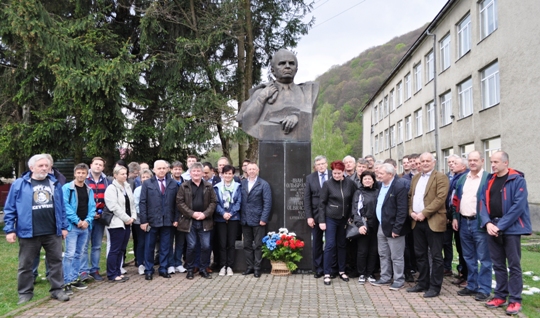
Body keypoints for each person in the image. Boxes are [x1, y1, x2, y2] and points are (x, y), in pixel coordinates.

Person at [4, 154, 70, 304]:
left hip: (52, 232)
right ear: (32, 167)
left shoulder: (54, 183)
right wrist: (10, 229)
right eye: (41, 166)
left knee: (56, 262)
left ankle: (57, 290)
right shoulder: (19, 184)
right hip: (28, 232)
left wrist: (64, 227)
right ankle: (25, 293)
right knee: (25, 265)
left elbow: (62, 208)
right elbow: (10, 208)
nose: (45, 168)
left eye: (46, 165)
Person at [480, 151, 532, 315]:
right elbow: (481, 202)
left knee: (514, 265)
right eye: (491, 162)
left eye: (496, 162)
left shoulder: (517, 180)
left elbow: (518, 206)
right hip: (492, 227)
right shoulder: (490, 180)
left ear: (505, 163)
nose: (493, 165)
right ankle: (500, 296)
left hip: (511, 229)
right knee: (498, 265)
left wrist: (500, 226)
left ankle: (515, 300)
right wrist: (487, 223)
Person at [236, 48, 319, 141]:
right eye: (282, 63)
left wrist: (297, 117)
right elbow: (248, 122)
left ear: (296, 69)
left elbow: (307, 116)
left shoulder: (307, 93)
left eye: (291, 63)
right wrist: (261, 98)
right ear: (273, 70)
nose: (287, 66)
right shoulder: (261, 93)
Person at [451, 151, 492, 302]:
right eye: (470, 160)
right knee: (468, 257)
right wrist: (455, 217)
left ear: (482, 161)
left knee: (484, 258)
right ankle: (472, 285)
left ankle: (484, 289)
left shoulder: (488, 178)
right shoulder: (463, 179)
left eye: (475, 160)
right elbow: (456, 200)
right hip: (463, 222)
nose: (473, 162)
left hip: (479, 222)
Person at [407, 153, 449, 298]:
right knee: (420, 254)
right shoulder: (416, 177)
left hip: (433, 221)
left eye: (427, 161)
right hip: (416, 221)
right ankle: (422, 283)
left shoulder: (441, 177)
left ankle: (435, 287)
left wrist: (424, 213)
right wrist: (411, 212)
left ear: (434, 162)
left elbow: (440, 199)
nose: (424, 163)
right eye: (422, 161)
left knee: (436, 256)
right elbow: (410, 197)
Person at [369, 164, 410, 291]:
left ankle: (399, 279)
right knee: (383, 253)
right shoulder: (381, 185)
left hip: (394, 227)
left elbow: (402, 210)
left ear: (390, 174)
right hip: (382, 225)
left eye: (381, 173)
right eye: (378, 173)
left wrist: (397, 229)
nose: (378, 175)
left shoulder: (399, 186)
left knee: (396, 256)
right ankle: (385, 277)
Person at [318, 160, 356, 286]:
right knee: (330, 245)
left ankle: (341, 270)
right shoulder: (327, 184)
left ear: (343, 172)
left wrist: (351, 215)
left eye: (339, 173)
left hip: (344, 219)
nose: (336, 176)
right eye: (334, 173)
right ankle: (327, 273)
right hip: (331, 218)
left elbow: (354, 198)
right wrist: (322, 220)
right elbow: (322, 203)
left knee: (342, 244)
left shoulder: (349, 183)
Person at [177, 162, 217, 280]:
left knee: (206, 246)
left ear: (202, 173)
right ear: (190, 173)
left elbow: (213, 202)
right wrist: (192, 214)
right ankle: (190, 269)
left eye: (198, 171)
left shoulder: (208, 186)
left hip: (205, 220)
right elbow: (180, 202)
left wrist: (205, 214)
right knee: (191, 246)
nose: (196, 173)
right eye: (194, 171)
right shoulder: (184, 186)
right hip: (190, 221)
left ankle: (203, 268)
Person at [139, 160, 178, 280]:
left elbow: (177, 203)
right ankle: (149, 270)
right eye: (159, 168)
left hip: (168, 220)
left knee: (166, 246)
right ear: (154, 170)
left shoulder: (173, 183)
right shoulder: (147, 183)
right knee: (149, 246)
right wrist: (144, 220)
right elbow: (142, 202)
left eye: (163, 168)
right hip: (152, 220)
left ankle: (163, 268)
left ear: (167, 169)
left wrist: (176, 219)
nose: (161, 170)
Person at [62, 163, 96, 295]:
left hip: (85, 226)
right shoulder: (67, 188)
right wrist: (77, 221)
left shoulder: (89, 189)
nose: (81, 175)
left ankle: (74, 278)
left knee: (79, 253)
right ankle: (66, 281)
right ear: (75, 173)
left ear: (87, 175)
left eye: (83, 173)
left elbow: (92, 207)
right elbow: (65, 206)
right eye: (78, 173)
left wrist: (87, 221)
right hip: (72, 226)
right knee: (69, 254)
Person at [240, 163, 272, 278]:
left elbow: (267, 203)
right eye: (250, 169)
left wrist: (264, 218)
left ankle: (257, 268)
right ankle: (250, 267)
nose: (252, 171)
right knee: (247, 245)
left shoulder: (263, 184)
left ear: (258, 170)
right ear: (246, 171)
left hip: (258, 219)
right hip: (245, 219)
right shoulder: (242, 183)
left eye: (254, 169)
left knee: (258, 245)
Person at [104, 166, 136, 282]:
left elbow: (131, 204)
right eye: (122, 174)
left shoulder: (127, 187)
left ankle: (118, 270)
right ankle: (112, 273)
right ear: (115, 175)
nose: (124, 176)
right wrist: (126, 218)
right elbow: (114, 207)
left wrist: (133, 217)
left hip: (127, 222)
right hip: (116, 223)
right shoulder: (111, 189)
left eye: (125, 174)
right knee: (115, 249)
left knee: (122, 249)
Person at [82, 156, 111, 281]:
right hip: (86, 217)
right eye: (96, 164)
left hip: (100, 217)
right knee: (84, 245)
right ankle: (83, 271)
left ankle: (95, 270)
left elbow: (109, 198)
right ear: (91, 165)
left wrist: (102, 212)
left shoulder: (106, 181)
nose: (98, 166)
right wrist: (90, 213)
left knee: (97, 245)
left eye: (100, 165)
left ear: (103, 167)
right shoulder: (84, 179)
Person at [304, 155, 331, 278]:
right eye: (318, 164)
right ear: (315, 166)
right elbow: (307, 198)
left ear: (326, 164)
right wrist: (309, 216)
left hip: (331, 214)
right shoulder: (310, 178)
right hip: (315, 215)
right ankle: (318, 268)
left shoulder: (333, 174)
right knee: (317, 243)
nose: (321, 166)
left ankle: (330, 268)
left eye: (322, 163)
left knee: (331, 243)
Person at [213, 165, 242, 276]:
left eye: (230, 173)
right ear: (222, 174)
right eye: (226, 173)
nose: (228, 175)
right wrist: (223, 213)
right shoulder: (217, 187)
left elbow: (239, 202)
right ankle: (222, 266)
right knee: (222, 243)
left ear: (233, 175)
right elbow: (215, 203)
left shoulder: (238, 187)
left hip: (233, 218)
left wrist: (230, 213)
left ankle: (230, 266)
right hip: (221, 219)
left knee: (231, 243)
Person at [351, 170, 379, 284]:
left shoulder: (378, 191)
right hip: (364, 224)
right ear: (362, 181)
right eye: (365, 179)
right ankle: (362, 273)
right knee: (362, 251)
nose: (367, 181)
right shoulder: (358, 192)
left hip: (376, 225)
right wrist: (360, 225)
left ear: (373, 180)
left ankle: (370, 273)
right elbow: (355, 210)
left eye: (369, 179)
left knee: (373, 251)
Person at [445, 156, 469, 283]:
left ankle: (466, 275)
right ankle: (462, 272)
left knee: (464, 248)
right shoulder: (455, 178)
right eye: (451, 163)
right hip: (454, 216)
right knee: (459, 247)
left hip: (463, 218)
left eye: (455, 163)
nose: (452, 165)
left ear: (463, 167)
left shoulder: (464, 178)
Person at [133, 169, 154, 275]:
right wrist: (144, 217)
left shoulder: (154, 189)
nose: (145, 179)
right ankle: (140, 263)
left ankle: (148, 262)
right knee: (141, 242)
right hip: (139, 221)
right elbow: (136, 205)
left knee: (149, 242)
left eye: (147, 177)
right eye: (143, 177)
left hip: (152, 221)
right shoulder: (137, 190)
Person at [168, 161, 186, 274]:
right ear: (171, 170)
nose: (177, 171)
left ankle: (178, 263)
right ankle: (170, 264)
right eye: (175, 169)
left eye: (179, 169)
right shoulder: (168, 182)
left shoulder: (186, 183)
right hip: (170, 217)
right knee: (169, 242)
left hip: (183, 217)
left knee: (180, 242)